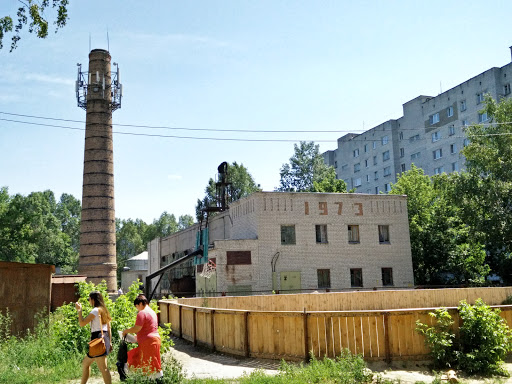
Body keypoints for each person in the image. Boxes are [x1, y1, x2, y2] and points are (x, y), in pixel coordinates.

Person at [121, 294, 163, 380]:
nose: (137, 308)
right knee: (153, 362)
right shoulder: (152, 312)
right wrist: (137, 337)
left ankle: (153, 380)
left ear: (140, 303)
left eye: (137, 306)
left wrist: (126, 331)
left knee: (149, 364)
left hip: (148, 342)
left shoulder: (142, 312)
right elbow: (148, 328)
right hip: (154, 339)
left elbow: (137, 328)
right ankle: (152, 380)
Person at [75, 291, 112, 384]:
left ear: (93, 300)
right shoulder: (104, 310)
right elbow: (109, 327)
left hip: (97, 340)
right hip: (105, 337)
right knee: (85, 363)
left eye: (89, 299)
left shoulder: (95, 310)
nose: (89, 301)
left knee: (103, 369)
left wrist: (79, 311)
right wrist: (110, 342)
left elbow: (82, 323)